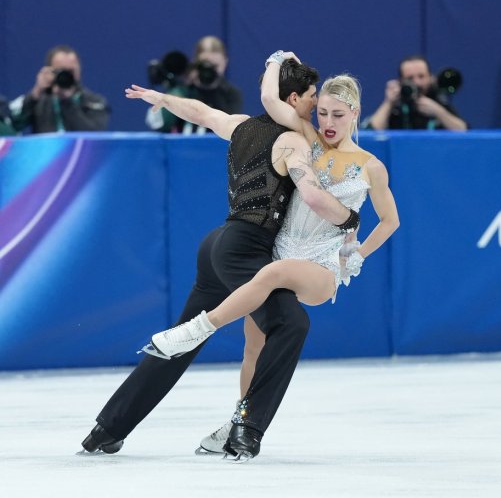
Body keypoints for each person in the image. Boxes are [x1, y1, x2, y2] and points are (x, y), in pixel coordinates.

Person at [80, 55, 361, 458]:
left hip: (217, 245)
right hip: (246, 249)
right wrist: (350, 217)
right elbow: (314, 196)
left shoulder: (241, 125)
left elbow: (201, 112)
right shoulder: (293, 141)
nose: (317, 108)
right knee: (292, 323)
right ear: (294, 98)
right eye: (313, 98)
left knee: (185, 337)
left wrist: (162, 98)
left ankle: (107, 428)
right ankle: (247, 428)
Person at [148, 51, 400, 458]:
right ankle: (238, 422)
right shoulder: (308, 140)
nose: (328, 123)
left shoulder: (371, 166)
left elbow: (390, 221)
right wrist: (276, 60)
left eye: (338, 115)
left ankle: (197, 329)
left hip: (319, 268)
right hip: (281, 254)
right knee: (254, 347)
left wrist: (358, 254)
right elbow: (268, 101)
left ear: (355, 113)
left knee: (272, 273)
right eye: (322, 113)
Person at [147, 36, 243, 134]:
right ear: (196, 62)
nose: (209, 71)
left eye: (215, 66)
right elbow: (161, 124)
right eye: (205, 65)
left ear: (225, 62)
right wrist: (179, 90)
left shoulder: (231, 93)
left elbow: (231, 128)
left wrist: (211, 91)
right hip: (183, 147)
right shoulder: (184, 90)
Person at [9, 44, 110, 133]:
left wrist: (67, 101)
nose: (65, 76)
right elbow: (14, 124)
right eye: (60, 71)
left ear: (79, 70)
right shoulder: (38, 101)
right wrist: (36, 93)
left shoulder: (94, 101)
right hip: (47, 154)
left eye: (71, 71)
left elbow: (93, 135)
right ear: (48, 71)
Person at [365, 55, 467, 131]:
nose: (417, 82)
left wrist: (438, 111)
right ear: (401, 80)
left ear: (430, 78)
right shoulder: (396, 103)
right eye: (410, 78)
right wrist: (388, 103)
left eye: (421, 76)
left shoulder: (437, 100)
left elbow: (463, 131)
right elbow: (371, 133)